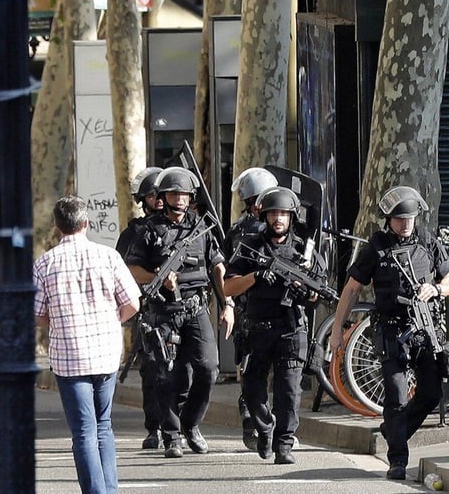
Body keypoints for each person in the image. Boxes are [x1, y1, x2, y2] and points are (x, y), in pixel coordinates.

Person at [329, 186, 449, 480]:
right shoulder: (377, 248)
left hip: (423, 330)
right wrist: (336, 331)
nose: (405, 224)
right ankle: (397, 460)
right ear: (389, 220)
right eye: (399, 219)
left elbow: (448, 276)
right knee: (396, 397)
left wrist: (435, 288)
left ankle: (394, 429)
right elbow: (352, 289)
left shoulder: (428, 243)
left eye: (409, 218)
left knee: (432, 393)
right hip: (391, 331)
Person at [34, 195, 140, 494]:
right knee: (104, 426)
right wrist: (111, 321)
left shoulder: (45, 263)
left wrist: (58, 320)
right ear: (86, 223)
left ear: (57, 227)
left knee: (83, 431)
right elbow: (132, 302)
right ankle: (110, 489)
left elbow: (35, 314)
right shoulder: (109, 257)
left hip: (69, 356)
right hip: (106, 353)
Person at [125, 166, 233, 459]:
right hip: (162, 311)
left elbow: (218, 269)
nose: (180, 199)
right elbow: (131, 270)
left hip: (196, 308)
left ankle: (191, 424)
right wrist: (156, 275)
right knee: (165, 375)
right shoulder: (148, 231)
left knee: (208, 368)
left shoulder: (202, 228)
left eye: (184, 194)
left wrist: (228, 305)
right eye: (174, 193)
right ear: (163, 196)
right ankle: (171, 435)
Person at [224, 186, 323, 465]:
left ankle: (283, 444)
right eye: (273, 213)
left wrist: (306, 291)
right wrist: (256, 276)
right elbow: (228, 286)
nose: (278, 219)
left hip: (291, 329)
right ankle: (264, 427)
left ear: (292, 217)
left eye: (283, 214)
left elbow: (318, 292)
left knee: (289, 391)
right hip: (257, 329)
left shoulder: (304, 251)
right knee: (253, 391)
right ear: (264, 216)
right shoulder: (251, 246)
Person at [117, 166, 173, 450]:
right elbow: (122, 270)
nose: (160, 200)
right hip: (148, 307)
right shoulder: (135, 232)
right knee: (153, 370)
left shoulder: (180, 227)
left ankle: (181, 424)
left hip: (180, 306)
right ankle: (156, 428)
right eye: (153, 195)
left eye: (162, 194)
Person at [225, 167, 279, 450]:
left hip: (252, 310)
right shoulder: (252, 232)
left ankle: (253, 414)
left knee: (252, 369)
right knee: (260, 370)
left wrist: (228, 304)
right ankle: (256, 416)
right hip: (257, 309)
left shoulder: (238, 229)